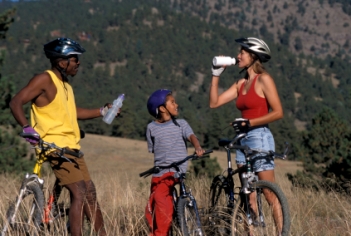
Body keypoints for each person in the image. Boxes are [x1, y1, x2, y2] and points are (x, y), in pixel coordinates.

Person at [9, 38, 115, 236]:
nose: (78, 63)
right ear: (61, 62)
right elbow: (16, 102)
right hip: (54, 147)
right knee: (80, 192)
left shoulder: (65, 85)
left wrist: (102, 111)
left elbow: (72, 112)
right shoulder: (44, 80)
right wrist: (27, 128)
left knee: (90, 193)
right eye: (74, 59)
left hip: (71, 148)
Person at [209, 37, 284, 232]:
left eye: (242, 52)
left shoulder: (264, 79)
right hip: (241, 140)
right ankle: (250, 231)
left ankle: (283, 231)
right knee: (247, 194)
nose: (238, 56)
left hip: (259, 136)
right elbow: (214, 103)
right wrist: (215, 75)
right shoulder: (240, 83)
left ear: (253, 56)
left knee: (269, 193)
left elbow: (277, 112)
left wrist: (249, 122)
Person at [144, 89, 205, 236]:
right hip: (159, 172)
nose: (176, 104)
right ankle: (164, 228)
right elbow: (153, 149)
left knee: (160, 198)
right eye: (172, 102)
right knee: (152, 206)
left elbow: (191, 136)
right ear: (162, 108)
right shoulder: (151, 128)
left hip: (175, 170)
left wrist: (197, 147)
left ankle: (161, 234)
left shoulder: (181, 124)